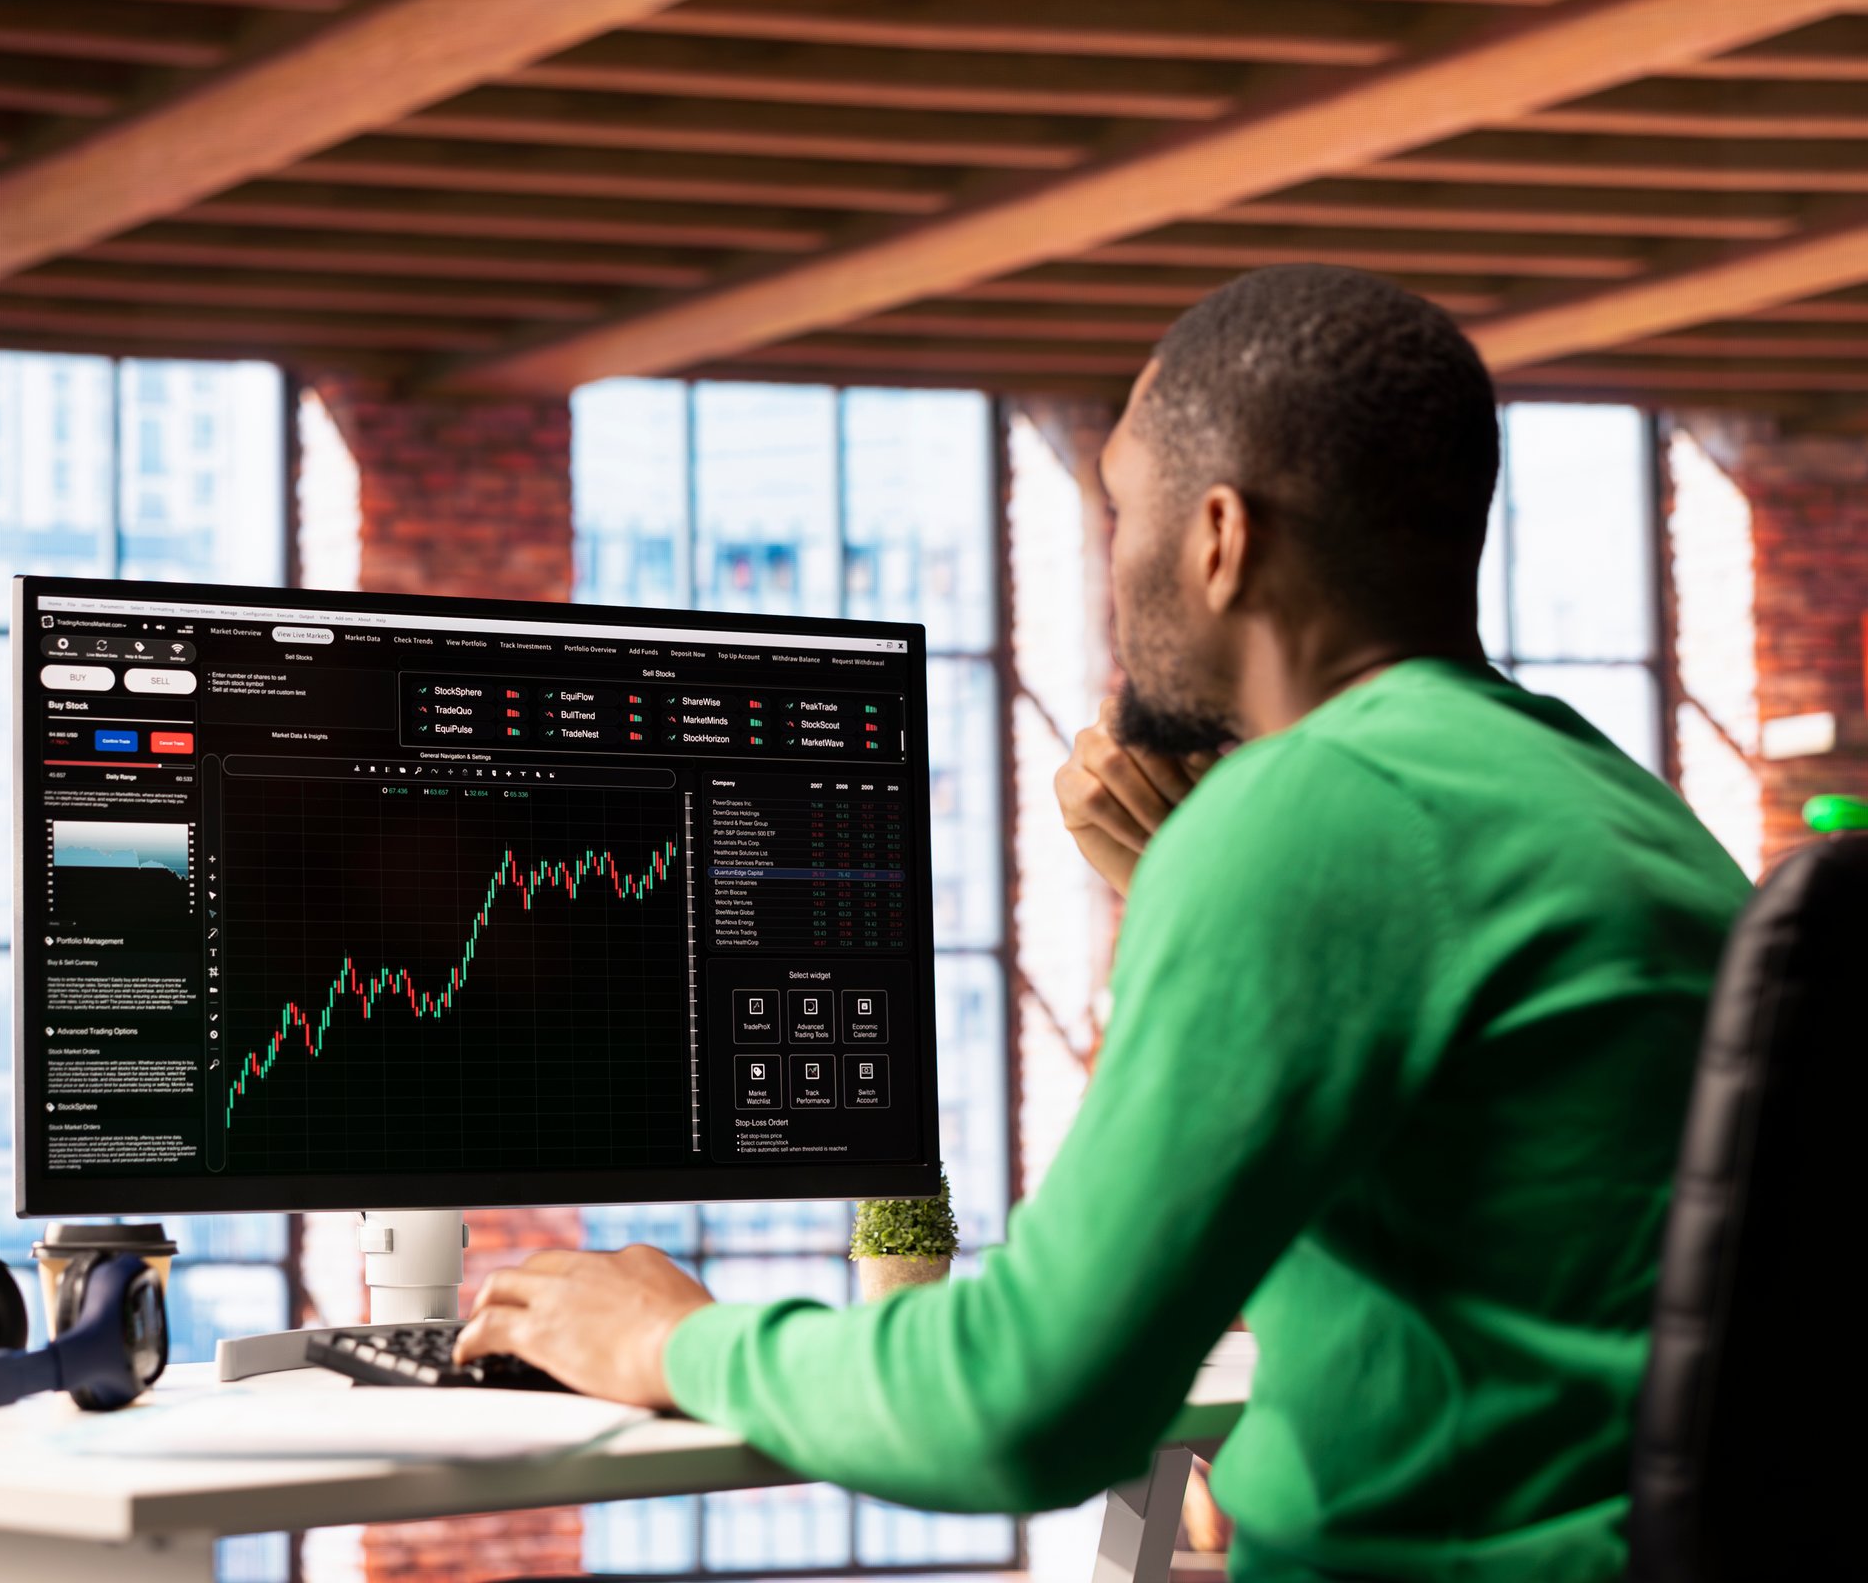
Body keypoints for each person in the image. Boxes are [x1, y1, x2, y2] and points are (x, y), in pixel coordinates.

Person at [455, 264, 1750, 1582]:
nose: (1111, 558)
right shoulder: (1598, 795)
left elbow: (1027, 1407)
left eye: (1123, 507)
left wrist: (674, 1339)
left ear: (1219, 538)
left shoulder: (1311, 814)